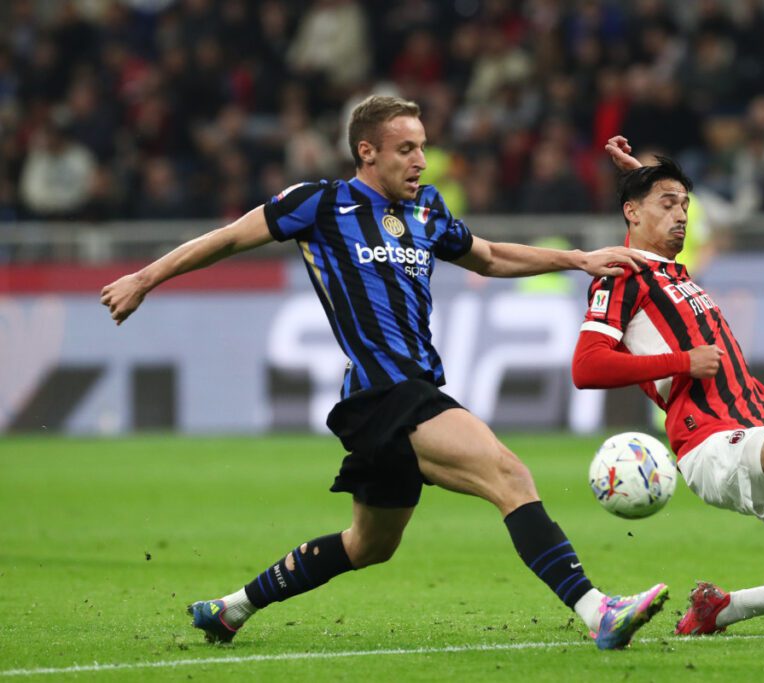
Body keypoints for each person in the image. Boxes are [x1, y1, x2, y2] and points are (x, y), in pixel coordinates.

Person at [100, 96, 668, 650]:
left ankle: (232, 609)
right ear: (367, 152)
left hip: (399, 396)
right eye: (406, 149)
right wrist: (144, 279)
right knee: (509, 475)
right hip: (384, 393)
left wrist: (578, 259)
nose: (420, 161)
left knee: (369, 544)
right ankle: (598, 612)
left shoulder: (426, 211)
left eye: (422, 147)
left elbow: (489, 256)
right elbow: (224, 239)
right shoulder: (319, 204)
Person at [570, 137, 764, 646]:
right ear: (632, 213)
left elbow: (642, 230)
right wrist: (683, 362)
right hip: (709, 442)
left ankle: (724, 608)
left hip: (757, 429)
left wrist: (644, 183)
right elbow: (586, 367)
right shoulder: (622, 276)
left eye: (685, 206)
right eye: (667, 205)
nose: (681, 215)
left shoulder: (672, 273)